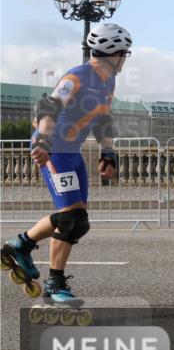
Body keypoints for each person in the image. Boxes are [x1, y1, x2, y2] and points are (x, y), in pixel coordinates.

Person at [0, 23, 132, 307]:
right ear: (114, 53)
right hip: (54, 151)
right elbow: (48, 108)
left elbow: (103, 119)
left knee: (71, 217)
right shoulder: (77, 77)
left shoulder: (108, 80)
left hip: (72, 151)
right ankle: (54, 284)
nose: (126, 58)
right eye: (125, 53)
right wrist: (44, 142)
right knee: (73, 221)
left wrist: (108, 151)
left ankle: (20, 244)